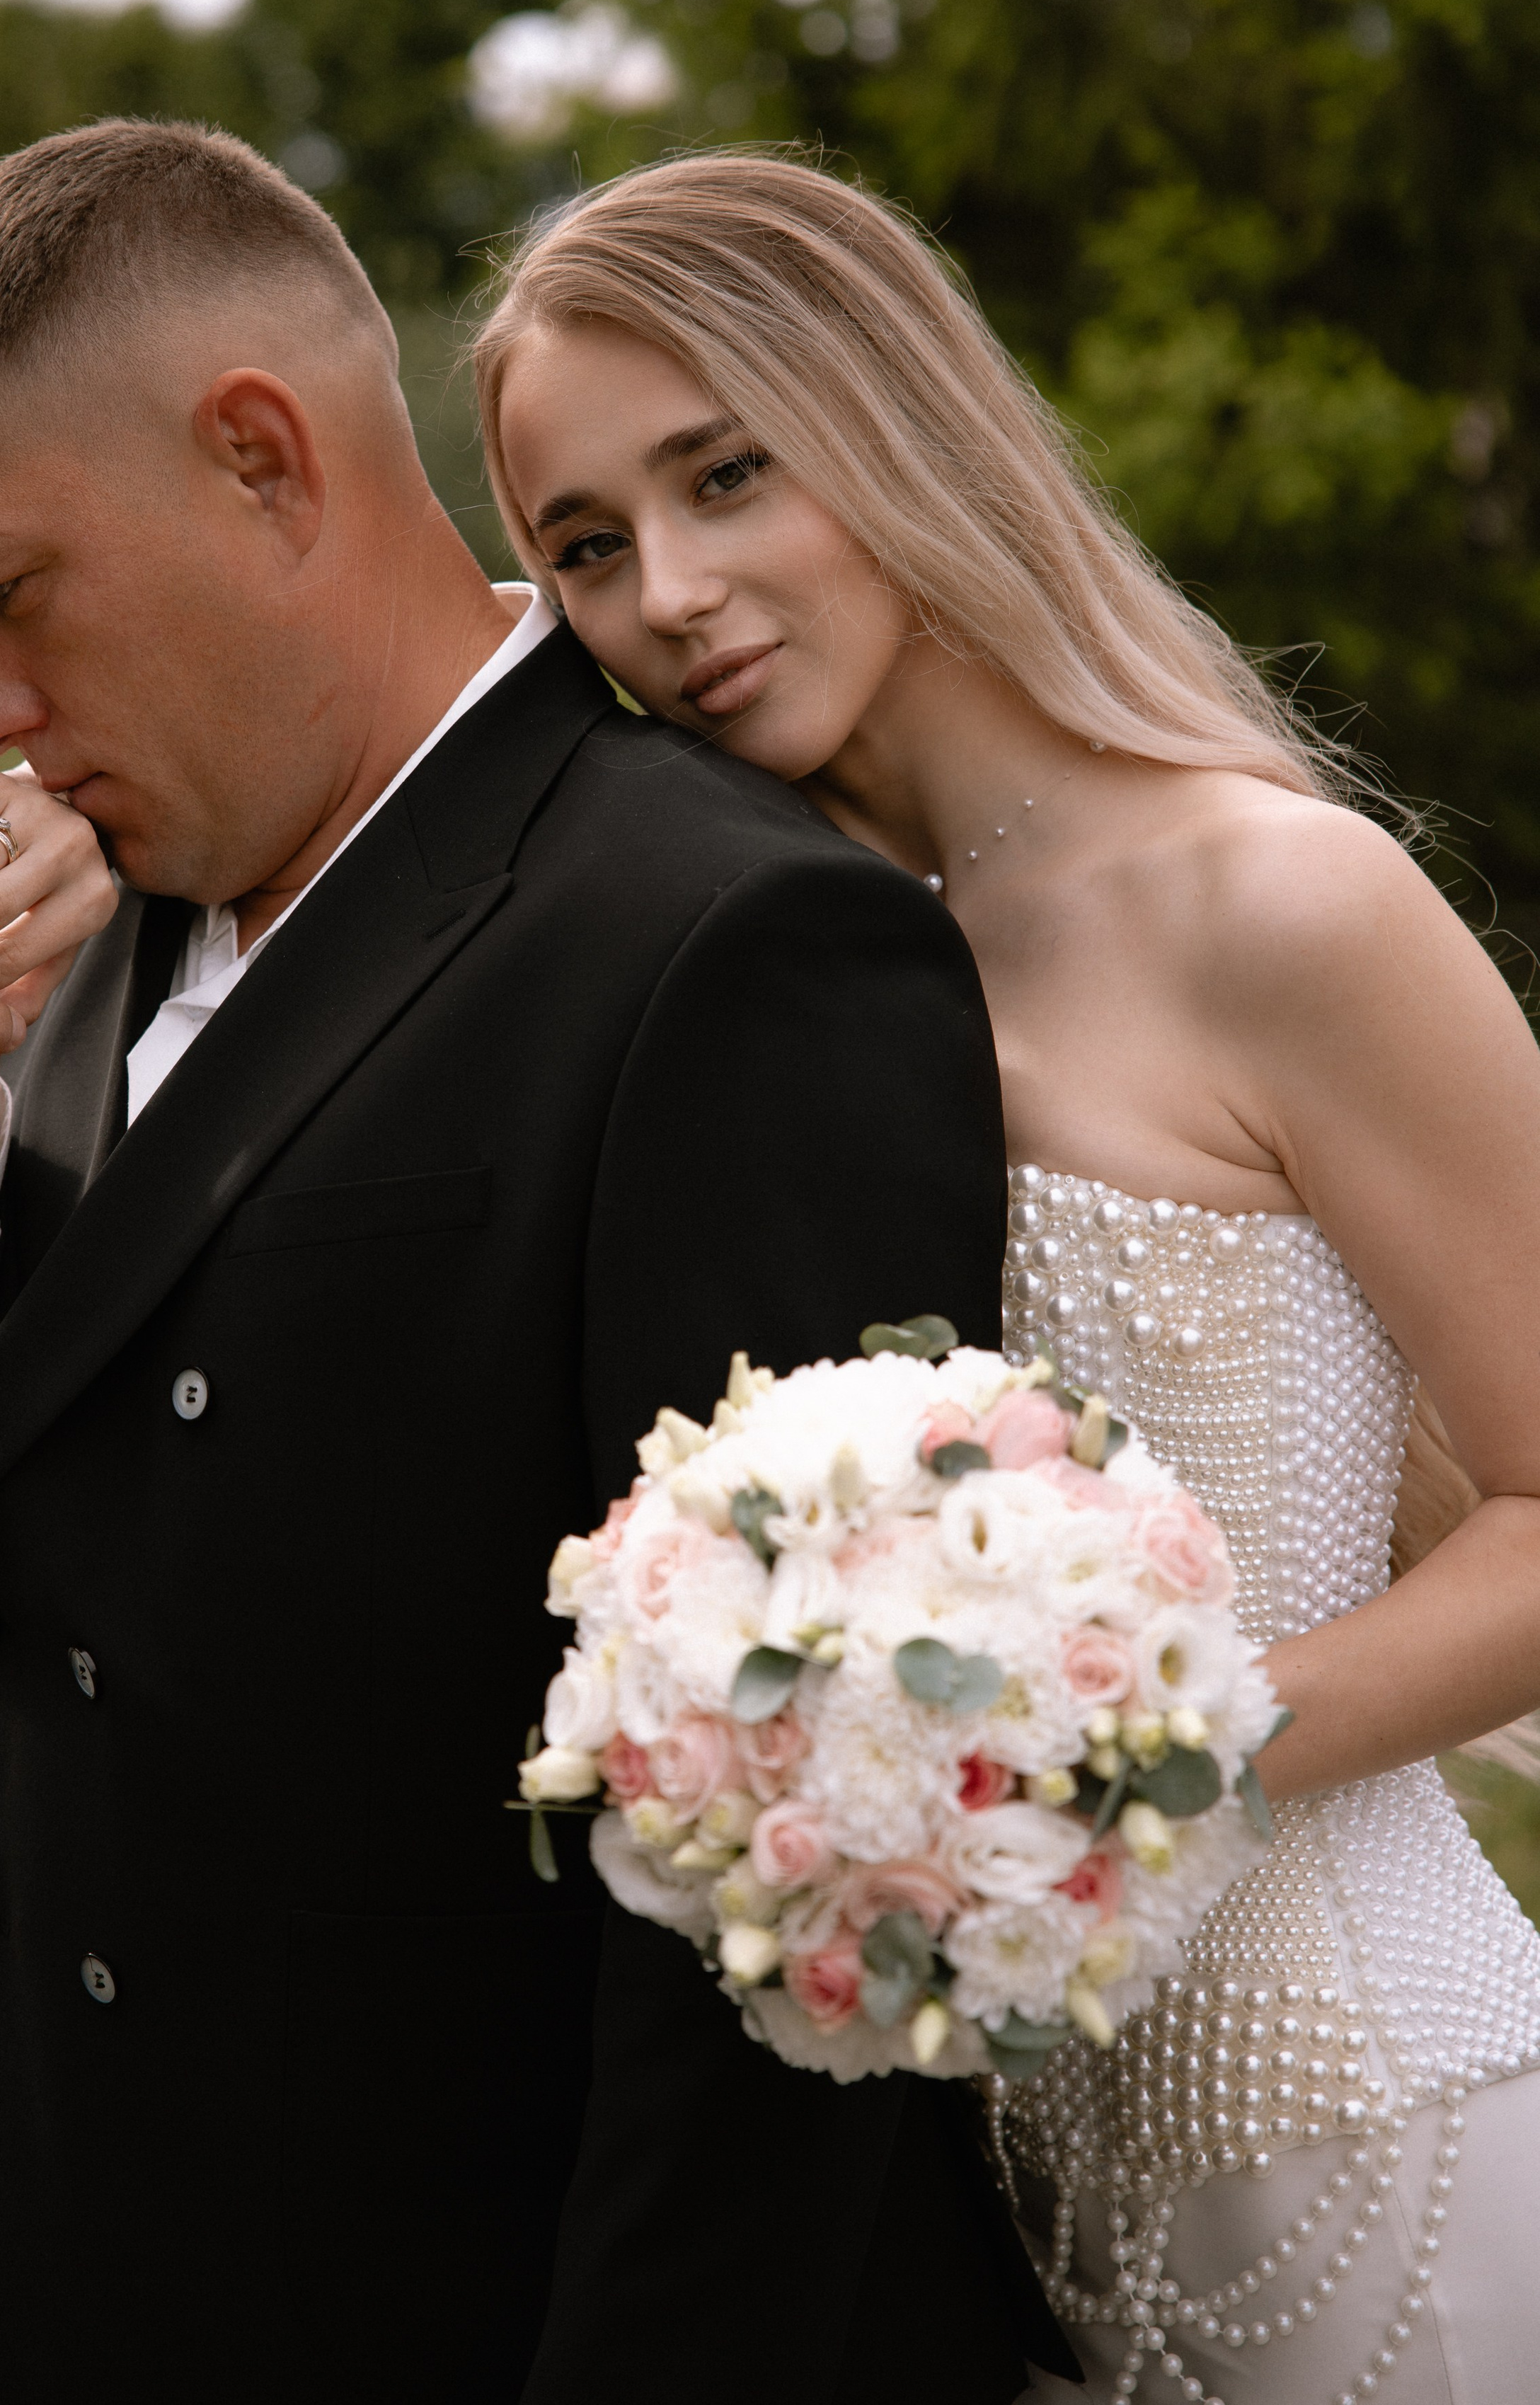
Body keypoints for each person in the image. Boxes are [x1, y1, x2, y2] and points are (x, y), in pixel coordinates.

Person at [0, 124, 1072, 2405]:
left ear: (261, 463)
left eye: (8, 596)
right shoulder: (88, 909)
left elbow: (788, 1899)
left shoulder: (725, 938)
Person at [464, 150, 1540, 2405]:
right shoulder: (784, 977)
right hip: (1028, 2234)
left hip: (1391, 2161)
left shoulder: (1284, 903)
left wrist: (1131, 1764)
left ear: (893, 423)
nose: (669, 592)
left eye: (725, 474)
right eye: (586, 545)